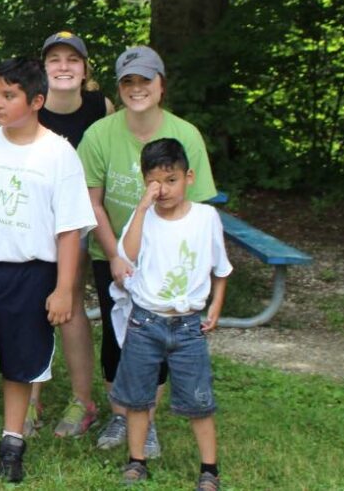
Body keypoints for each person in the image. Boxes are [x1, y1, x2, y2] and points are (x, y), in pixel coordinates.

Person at [0, 58, 95, 482]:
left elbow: (69, 230)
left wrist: (64, 288)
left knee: (19, 362)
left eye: (9, 96)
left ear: (36, 100)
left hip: (30, 275)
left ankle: (12, 440)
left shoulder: (58, 154)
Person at [78, 46, 216, 456]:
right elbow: (93, 201)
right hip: (114, 253)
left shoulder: (186, 134)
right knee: (117, 333)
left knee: (154, 337)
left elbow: (204, 206)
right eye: (128, 82)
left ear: (161, 85)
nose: (137, 89)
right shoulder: (100, 134)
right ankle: (121, 414)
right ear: (119, 88)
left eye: (145, 80)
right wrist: (116, 255)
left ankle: (148, 421)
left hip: (168, 260)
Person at [110, 138, 230, 490]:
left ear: (188, 177)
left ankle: (209, 469)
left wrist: (216, 309)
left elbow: (221, 270)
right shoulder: (142, 217)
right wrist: (142, 209)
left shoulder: (206, 218)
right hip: (145, 321)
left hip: (189, 325)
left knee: (198, 398)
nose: (163, 189)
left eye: (171, 180)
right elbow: (127, 257)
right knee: (136, 396)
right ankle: (136, 461)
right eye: (154, 182)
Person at [26, 31, 113, 438]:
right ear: (43, 69)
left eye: (72, 60)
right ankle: (30, 398)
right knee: (31, 303)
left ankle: (83, 400)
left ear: (84, 69)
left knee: (71, 302)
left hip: (76, 221)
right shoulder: (31, 107)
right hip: (32, 218)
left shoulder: (101, 107)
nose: (63, 67)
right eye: (55, 59)